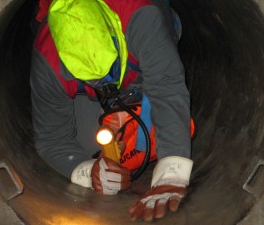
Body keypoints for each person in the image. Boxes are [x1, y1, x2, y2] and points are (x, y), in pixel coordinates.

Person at [30, 0, 193, 222]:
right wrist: (89, 172)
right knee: (91, 147)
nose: (103, 83)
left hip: (141, 55)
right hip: (90, 82)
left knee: (163, 121)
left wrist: (172, 173)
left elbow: (166, 86)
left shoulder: (143, 18)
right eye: (93, 79)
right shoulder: (47, 65)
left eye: (107, 71)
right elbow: (52, 140)